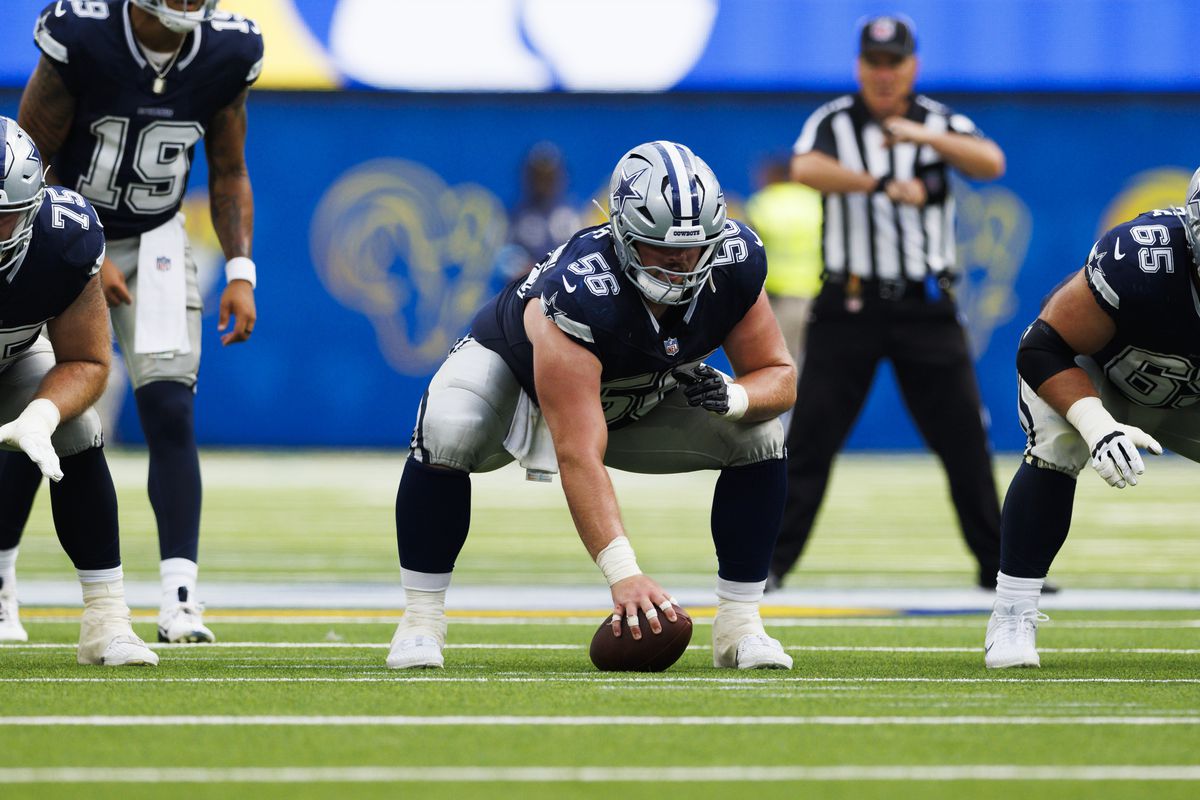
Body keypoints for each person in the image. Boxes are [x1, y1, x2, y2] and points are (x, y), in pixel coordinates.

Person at [387, 141, 797, 671]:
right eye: (660, 249)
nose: (680, 265)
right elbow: (578, 451)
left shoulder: (734, 261)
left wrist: (737, 396)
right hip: (515, 379)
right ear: (624, 236)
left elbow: (779, 375)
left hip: (637, 392)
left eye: (693, 250)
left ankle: (740, 625)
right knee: (450, 425)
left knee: (760, 433)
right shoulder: (581, 290)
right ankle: (422, 620)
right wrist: (624, 574)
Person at [0, 0, 263, 645]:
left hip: (156, 242)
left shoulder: (229, 51)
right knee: (31, 406)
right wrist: (83, 262)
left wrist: (240, 271)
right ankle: (5, 583)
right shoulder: (83, 32)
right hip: (59, 231)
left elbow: (229, 169)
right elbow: (30, 161)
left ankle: (179, 597)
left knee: (168, 410)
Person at [770, 15, 1009, 591]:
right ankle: (769, 564)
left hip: (926, 308)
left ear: (912, 66)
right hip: (848, 304)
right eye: (874, 63)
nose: (883, 73)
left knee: (965, 443)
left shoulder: (939, 122)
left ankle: (1002, 568)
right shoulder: (834, 121)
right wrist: (877, 184)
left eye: (894, 62)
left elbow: (991, 162)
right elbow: (804, 167)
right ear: (859, 67)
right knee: (810, 440)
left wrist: (925, 138)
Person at [984, 169, 1200, 668]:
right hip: (1094, 375)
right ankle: (1013, 613)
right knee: (1060, 446)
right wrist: (1098, 428)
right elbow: (1045, 347)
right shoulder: (1144, 260)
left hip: (1188, 396)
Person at [0, 117, 157, 665]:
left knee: (75, 426)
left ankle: (106, 620)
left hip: (14, 361)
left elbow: (88, 360)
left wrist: (41, 414)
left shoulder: (63, 237)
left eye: (7, 217)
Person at [744, 155, 823, 373]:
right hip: (819, 300)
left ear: (773, 176)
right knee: (812, 370)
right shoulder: (816, 201)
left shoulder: (763, 203)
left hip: (779, 302)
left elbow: (748, 253)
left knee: (774, 369)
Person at [501, 142, 582, 280]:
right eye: (538, 176)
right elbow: (505, 260)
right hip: (527, 292)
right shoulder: (517, 217)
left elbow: (585, 257)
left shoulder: (573, 216)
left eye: (549, 177)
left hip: (565, 290)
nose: (543, 183)